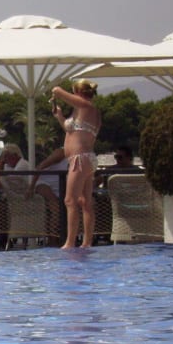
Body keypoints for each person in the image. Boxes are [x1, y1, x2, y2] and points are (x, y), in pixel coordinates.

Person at [51, 78, 102, 248]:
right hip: (85, 158)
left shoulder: (85, 105)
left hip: (80, 158)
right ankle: (86, 242)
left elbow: (59, 91)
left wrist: (57, 92)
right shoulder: (83, 110)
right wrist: (60, 117)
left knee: (70, 200)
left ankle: (70, 242)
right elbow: (71, 131)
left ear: (78, 92)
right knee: (85, 202)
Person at [27, 147, 69, 235]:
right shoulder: (61, 153)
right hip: (44, 182)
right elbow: (40, 167)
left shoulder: (80, 158)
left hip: (60, 187)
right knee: (55, 207)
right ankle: (53, 238)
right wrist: (31, 187)